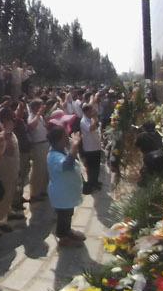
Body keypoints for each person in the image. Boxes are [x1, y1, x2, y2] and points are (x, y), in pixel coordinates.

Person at [46, 120, 87, 248]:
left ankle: (67, 231)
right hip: (61, 193)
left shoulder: (61, 149)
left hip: (67, 192)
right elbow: (67, 165)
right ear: (58, 140)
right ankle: (63, 237)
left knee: (68, 213)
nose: (68, 138)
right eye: (65, 137)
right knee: (63, 216)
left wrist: (72, 147)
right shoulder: (53, 156)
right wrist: (75, 145)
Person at [23, 99, 50, 203]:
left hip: (45, 143)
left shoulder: (41, 117)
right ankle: (34, 193)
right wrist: (39, 114)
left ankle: (42, 190)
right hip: (38, 145)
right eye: (40, 106)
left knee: (44, 170)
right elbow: (31, 126)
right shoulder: (32, 116)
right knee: (38, 171)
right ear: (35, 107)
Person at [79, 104, 105, 193]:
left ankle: (95, 182)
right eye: (91, 111)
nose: (92, 112)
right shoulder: (83, 121)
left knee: (96, 166)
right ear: (86, 112)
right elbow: (91, 128)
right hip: (89, 148)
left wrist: (94, 118)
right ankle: (91, 184)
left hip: (96, 146)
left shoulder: (90, 119)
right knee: (91, 168)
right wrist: (94, 118)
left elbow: (97, 127)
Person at [135, 121, 163, 186]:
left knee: (144, 175)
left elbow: (137, 145)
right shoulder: (158, 134)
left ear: (144, 128)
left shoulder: (141, 135)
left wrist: (138, 134)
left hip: (150, 158)